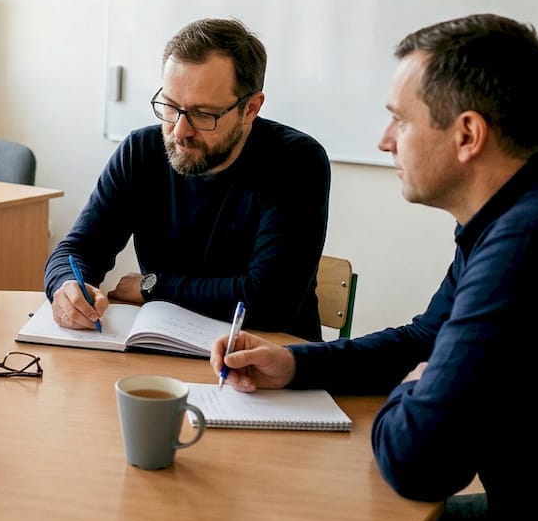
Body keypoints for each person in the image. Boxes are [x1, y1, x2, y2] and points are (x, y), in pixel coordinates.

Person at [212, 13, 538, 521]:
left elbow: (419, 461)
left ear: (468, 134)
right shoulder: (531, 209)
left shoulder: (533, 238)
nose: (385, 141)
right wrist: (294, 363)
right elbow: (426, 339)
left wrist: (413, 389)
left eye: (400, 120)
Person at [45, 17, 329, 342]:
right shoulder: (141, 151)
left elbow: (269, 299)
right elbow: (78, 248)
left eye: (202, 114)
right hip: (164, 345)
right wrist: (66, 285)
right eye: (170, 106)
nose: (180, 131)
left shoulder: (296, 161)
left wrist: (153, 286)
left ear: (250, 108)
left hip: (267, 358)